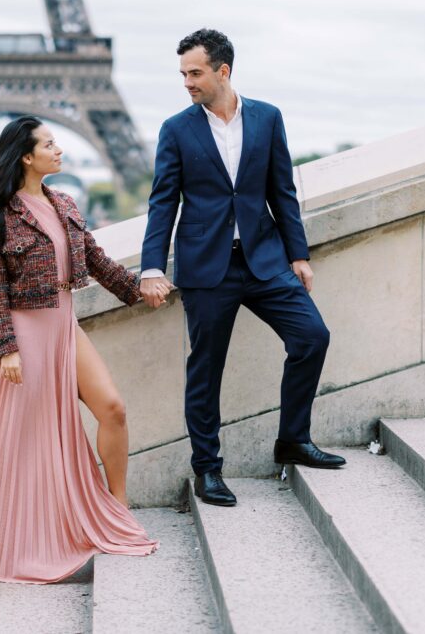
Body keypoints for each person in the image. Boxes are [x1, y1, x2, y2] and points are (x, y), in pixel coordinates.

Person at [0, 116, 158, 585]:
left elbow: (97, 261)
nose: (59, 150)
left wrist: (141, 289)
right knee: (26, 445)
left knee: (112, 407)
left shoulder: (65, 203)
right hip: (26, 339)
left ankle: (118, 509)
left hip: (64, 328)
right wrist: (5, 348)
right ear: (27, 157)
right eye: (50, 144)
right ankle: (20, 536)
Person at [139, 29, 346, 508]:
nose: (187, 82)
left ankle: (293, 439)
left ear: (223, 71)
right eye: (183, 74)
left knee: (311, 336)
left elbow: (282, 190)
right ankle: (208, 469)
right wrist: (151, 266)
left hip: (264, 259)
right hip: (206, 268)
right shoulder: (177, 128)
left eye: (195, 73)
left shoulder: (268, 118)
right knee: (206, 371)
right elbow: (162, 203)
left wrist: (299, 254)